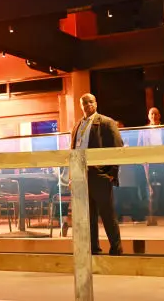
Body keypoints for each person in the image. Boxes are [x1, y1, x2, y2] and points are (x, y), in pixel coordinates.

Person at [70, 94, 124, 256]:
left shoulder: (107, 122)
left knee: (107, 214)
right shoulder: (76, 126)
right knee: (88, 216)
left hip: (99, 175)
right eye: (84, 103)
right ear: (81, 105)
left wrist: (111, 173)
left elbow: (117, 147)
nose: (88, 105)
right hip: (81, 175)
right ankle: (93, 249)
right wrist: (72, 175)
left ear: (96, 103)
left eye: (90, 101)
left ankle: (116, 248)